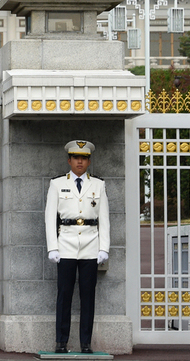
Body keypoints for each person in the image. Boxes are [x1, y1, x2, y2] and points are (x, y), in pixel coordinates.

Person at [45, 140, 110, 355]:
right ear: (69, 160)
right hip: (65, 245)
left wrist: (104, 248)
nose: (79, 161)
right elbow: (49, 218)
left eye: (83, 158)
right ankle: (61, 342)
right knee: (64, 294)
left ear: (89, 161)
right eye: (75, 157)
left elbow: (105, 220)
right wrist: (52, 247)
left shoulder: (99, 185)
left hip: (91, 246)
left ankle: (86, 343)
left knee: (88, 295)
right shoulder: (56, 184)